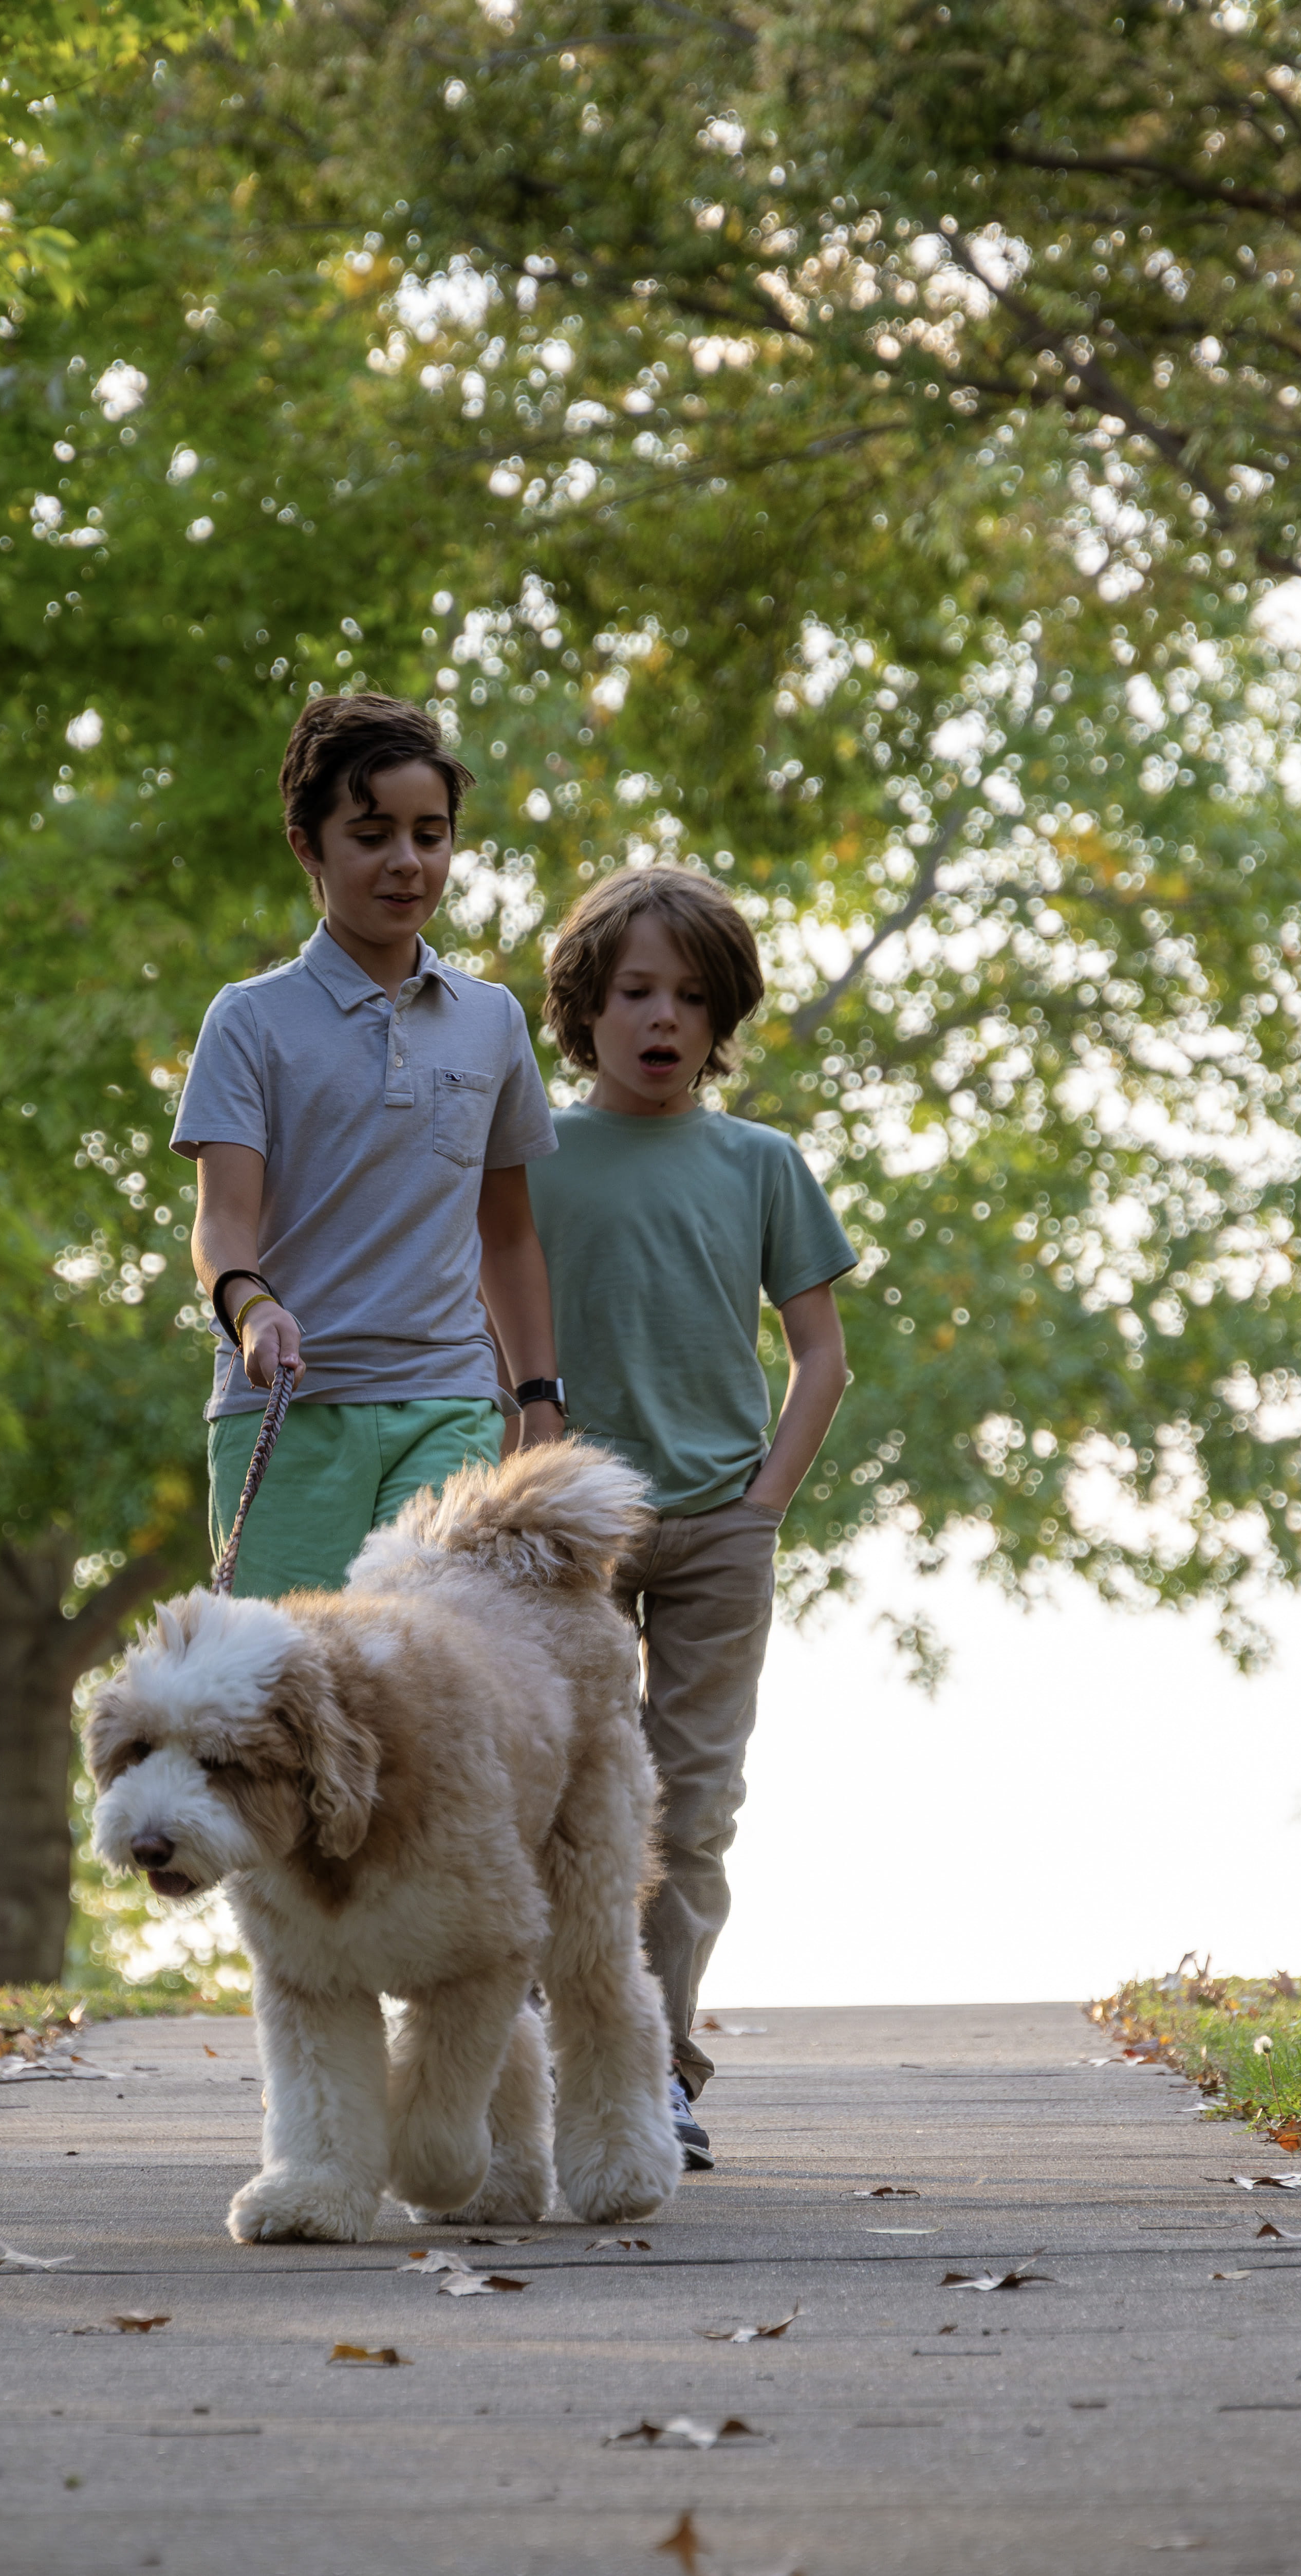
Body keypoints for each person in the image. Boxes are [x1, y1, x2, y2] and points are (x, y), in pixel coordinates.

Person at [526, 864, 853, 2170]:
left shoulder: (762, 1164)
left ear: (723, 1024)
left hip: (722, 1526)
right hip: (570, 1529)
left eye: (693, 999)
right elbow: (495, 1319)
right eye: (637, 992)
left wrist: (764, 1504)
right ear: (586, 1008)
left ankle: (658, 2064)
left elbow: (821, 1353)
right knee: (571, 1796)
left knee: (694, 1803)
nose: (664, 1019)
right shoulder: (534, 1158)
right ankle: (572, 2050)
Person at [175, 694, 565, 1598]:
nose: (406, 862)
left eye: (430, 836)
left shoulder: (495, 1022)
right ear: (308, 846)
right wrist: (252, 1310)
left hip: (452, 1409)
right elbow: (221, 1226)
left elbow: (507, 1236)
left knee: (423, 1691)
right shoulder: (248, 1021)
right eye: (372, 833)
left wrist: (540, 1402)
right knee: (285, 1706)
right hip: (287, 1408)